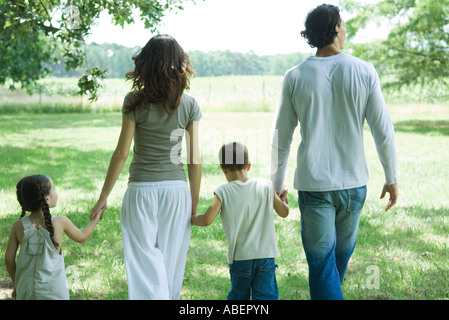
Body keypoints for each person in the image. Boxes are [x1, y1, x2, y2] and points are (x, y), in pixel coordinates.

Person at [270, 4, 398, 300]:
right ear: (336, 29)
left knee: (323, 264)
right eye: (344, 24)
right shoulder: (364, 70)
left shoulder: (295, 75)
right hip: (353, 185)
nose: (346, 29)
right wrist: (392, 177)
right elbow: (383, 130)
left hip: (314, 185)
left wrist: (277, 186)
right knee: (330, 264)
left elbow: (281, 138)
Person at [90, 34, 202, 300]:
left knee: (144, 265)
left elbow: (121, 153)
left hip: (141, 191)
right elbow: (194, 159)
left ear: (146, 65)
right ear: (180, 65)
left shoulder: (134, 101)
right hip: (176, 193)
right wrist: (193, 203)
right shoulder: (189, 104)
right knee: (171, 264)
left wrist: (103, 197)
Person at [192, 142, 289, 300]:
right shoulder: (265, 186)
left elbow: (207, 220)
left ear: (223, 168)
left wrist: (191, 219)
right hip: (265, 257)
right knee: (266, 298)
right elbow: (283, 213)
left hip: (240, 258)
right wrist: (282, 201)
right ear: (249, 165)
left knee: (238, 298)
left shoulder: (223, 192)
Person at [4, 174, 102, 300]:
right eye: (53, 189)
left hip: (26, 291)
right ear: (47, 199)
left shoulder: (18, 226)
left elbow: (8, 259)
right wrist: (96, 218)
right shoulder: (60, 222)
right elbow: (82, 236)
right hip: (54, 292)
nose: (56, 192)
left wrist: (17, 283)